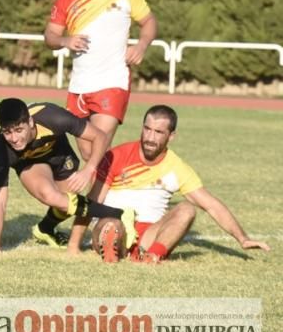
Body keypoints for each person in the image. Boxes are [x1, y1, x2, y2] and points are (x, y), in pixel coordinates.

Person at [79, 105, 270, 263]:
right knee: (111, 225)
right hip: (114, 224)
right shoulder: (117, 155)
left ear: (171, 136)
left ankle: (151, 256)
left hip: (149, 233)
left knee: (187, 209)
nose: (150, 138)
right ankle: (113, 249)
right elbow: (93, 201)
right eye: (147, 129)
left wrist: (243, 238)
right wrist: (74, 245)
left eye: (159, 132)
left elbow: (211, 205)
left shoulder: (176, 167)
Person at [43, 0, 157, 155]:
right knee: (88, 153)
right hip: (79, 84)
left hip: (113, 81)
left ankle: (115, 181)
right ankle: (120, 176)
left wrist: (141, 45)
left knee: (98, 146)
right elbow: (50, 35)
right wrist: (64, 41)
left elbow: (149, 21)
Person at [0, 98, 134, 256]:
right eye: (7, 132)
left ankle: (45, 229)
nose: (14, 139)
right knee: (51, 196)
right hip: (28, 163)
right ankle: (118, 213)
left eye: (18, 130)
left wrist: (88, 169)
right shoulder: (1, 148)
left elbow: (100, 136)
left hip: (59, 154)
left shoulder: (53, 117)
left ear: (30, 122)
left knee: (67, 203)